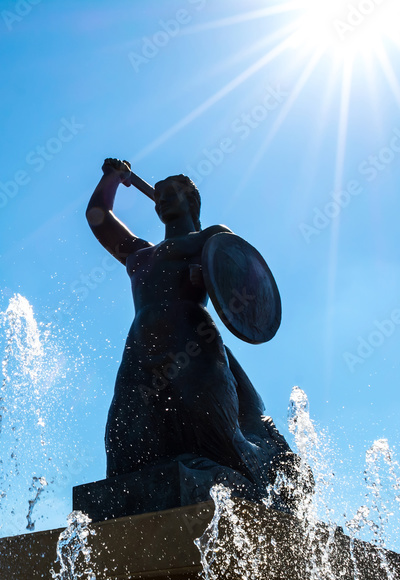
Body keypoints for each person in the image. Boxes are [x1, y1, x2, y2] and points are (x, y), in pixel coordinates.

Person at [86, 158, 292, 488]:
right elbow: (98, 218)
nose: (162, 199)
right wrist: (112, 178)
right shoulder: (139, 252)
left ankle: (259, 472)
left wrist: (209, 277)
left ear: (191, 200)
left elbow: (241, 276)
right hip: (140, 345)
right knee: (125, 439)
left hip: (191, 342)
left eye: (172, 193)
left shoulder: (209, 239)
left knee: (212, 436)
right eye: (159, 194)